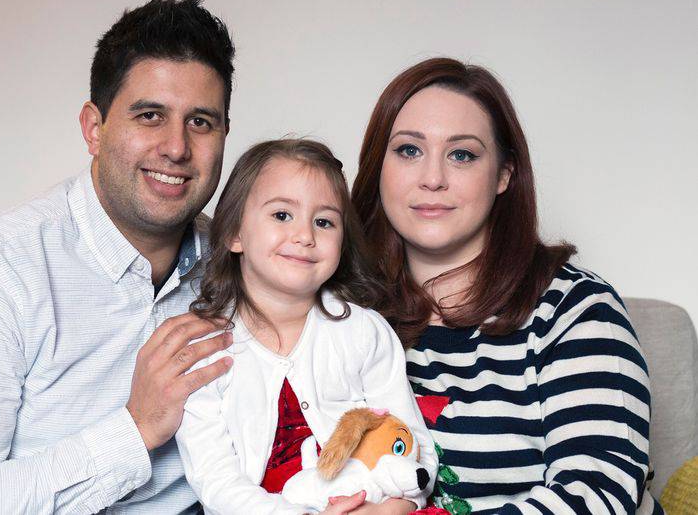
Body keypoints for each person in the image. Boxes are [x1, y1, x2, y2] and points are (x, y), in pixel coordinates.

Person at [0, 0, 240, 514]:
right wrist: (135, 429)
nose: (176, 148)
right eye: (150, 116)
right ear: (94, 128)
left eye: (201, 122)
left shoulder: (243, 263)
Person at [351, 57, 664, 514]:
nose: (432, 178)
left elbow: (598, 492)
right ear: (378, 167)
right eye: (409, 150)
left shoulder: (576, 310)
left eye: (462, 154)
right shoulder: (341, 317)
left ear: (504, 174)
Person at [174, 139, 438, 514]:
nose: (305, 236)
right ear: (235, 233)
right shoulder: (205, 349)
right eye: (282, 215)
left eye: (324, 222)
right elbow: (215, 480)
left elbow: (413, 444)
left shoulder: (364, 333)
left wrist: (393, 508)